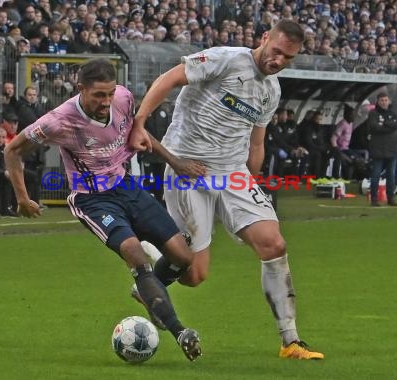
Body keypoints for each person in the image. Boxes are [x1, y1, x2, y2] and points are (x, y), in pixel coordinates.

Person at [129, 19, 324, 360]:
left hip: (232, 173)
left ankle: (290, 341)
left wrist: (252, 186)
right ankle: (152, 275)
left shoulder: (271, 90)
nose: (278, 61)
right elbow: (171, 78)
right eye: (276, 51)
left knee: (274, 243)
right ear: (265, 38)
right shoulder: (226, 59)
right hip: (188, 168)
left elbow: (257, 142)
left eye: (288, 58)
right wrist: (140, 123)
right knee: (193, 275)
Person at [4, 59, 203, 361]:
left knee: (183, 257)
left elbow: (138, 132)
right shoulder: (59, 121)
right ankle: (180, 331)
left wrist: (175, 162)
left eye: (109, 94)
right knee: (135, 253)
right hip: (93, 200)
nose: (106, 101)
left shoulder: (123, 97)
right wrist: (22, 198)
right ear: (81, 89)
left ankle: (147, 289)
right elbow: (13, 150)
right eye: (98, 95)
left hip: (126, 186)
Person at [367, 93, 397, 206]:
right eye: (381, 100)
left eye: (386, 100)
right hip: (378, 149)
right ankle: (374, 199)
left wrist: (385, 124)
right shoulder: (373, 114)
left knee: (391, 175)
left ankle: (391, 198)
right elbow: (375, 127)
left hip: (392, 149)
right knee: (376, 174)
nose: (384, 102)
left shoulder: (393, 113)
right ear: (377, 101)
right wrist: (390, 126)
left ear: (389, 101)